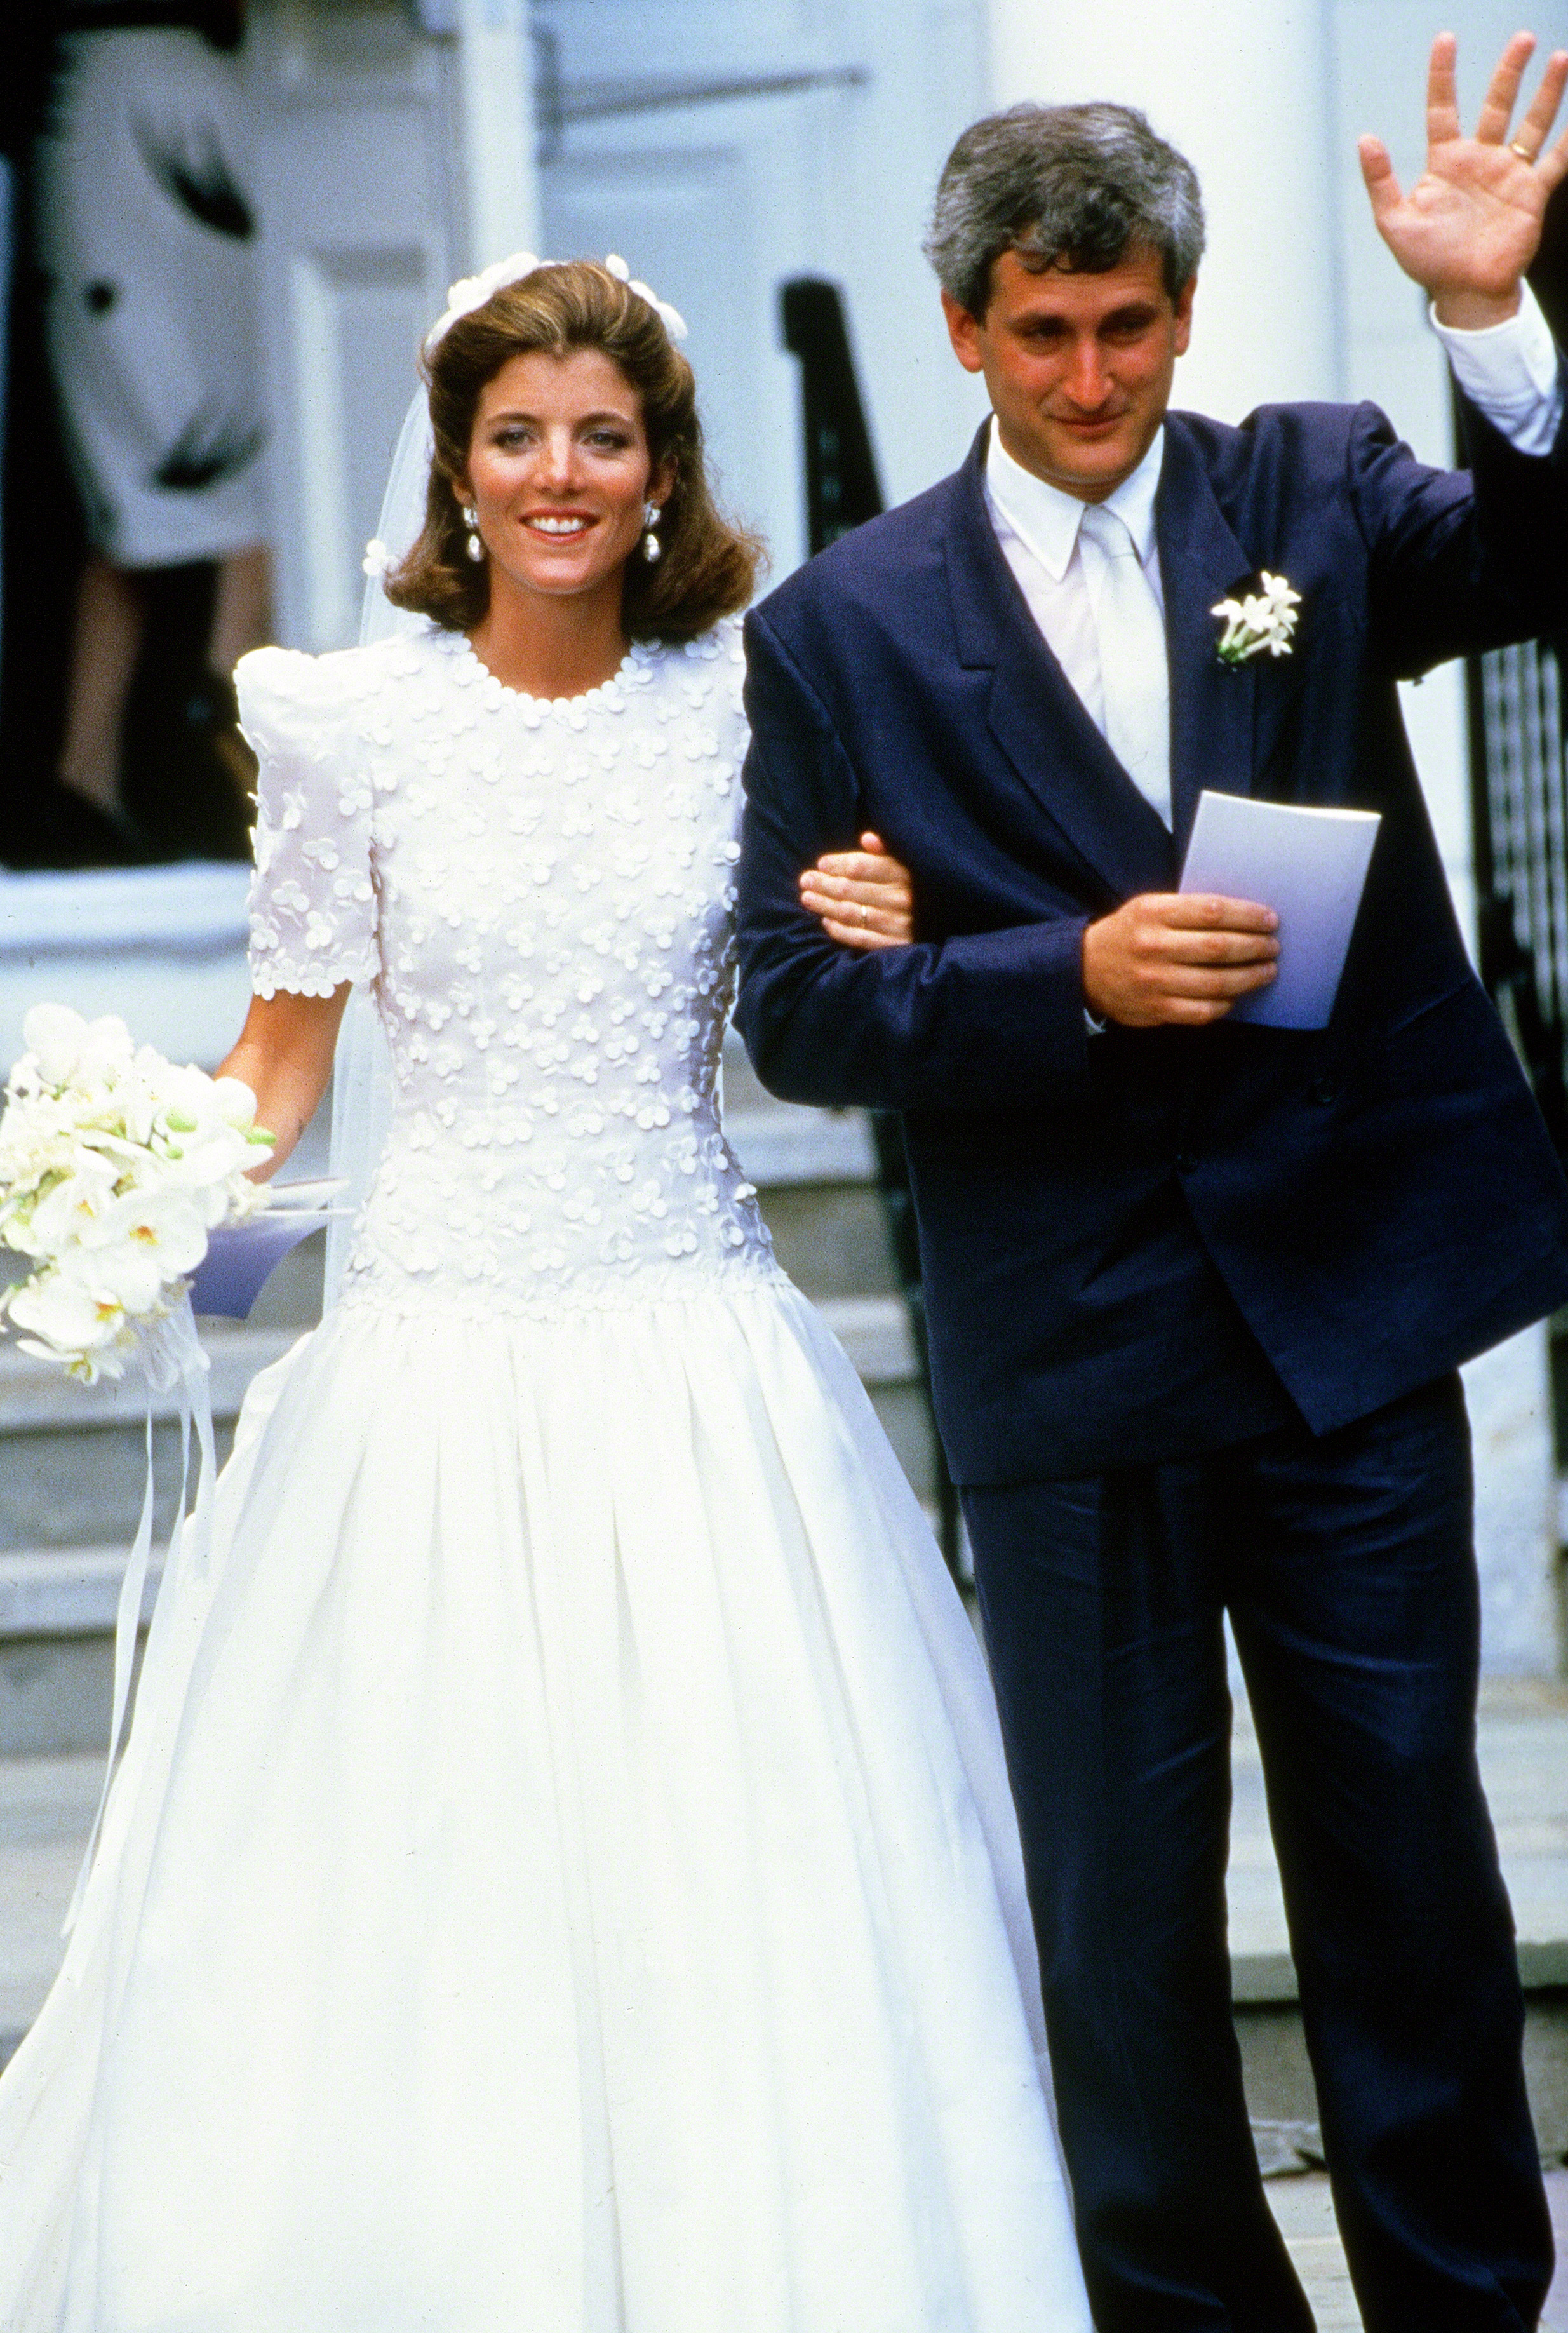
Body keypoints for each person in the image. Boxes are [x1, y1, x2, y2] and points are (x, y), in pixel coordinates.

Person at [0, 255, 1095, 2331]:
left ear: (664, 468)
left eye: (605, 434)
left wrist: (872, 917)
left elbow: (802, 1021)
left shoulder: (763, 704)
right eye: (519, 436)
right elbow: (285, 1066)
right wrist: (112, 1191)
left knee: (732, 1884)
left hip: (690, 1350)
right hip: (425, 1363)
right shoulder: (344, 724)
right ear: (460, 467)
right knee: (427, 1891)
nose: (562, 472)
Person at [735, 32, 1568, 2333]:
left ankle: (1469, 2304)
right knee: (1114, 1918)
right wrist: (1063, 975)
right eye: (1042, 329)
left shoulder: (1309, 491)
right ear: (965, 330)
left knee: (1407, 1862)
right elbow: (798, 1012)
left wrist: (1491, 319)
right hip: (1072, 1342)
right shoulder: (843, 629)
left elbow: (1541, 552)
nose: (1090, 371)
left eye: (1127, 325)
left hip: (1347, 1319)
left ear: (1183, 316)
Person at [34, 1, 267, 854]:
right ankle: (223, 687)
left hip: (89, 108)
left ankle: (83, 777)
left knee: (132, 490)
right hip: (179, 105)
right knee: (270, 453)